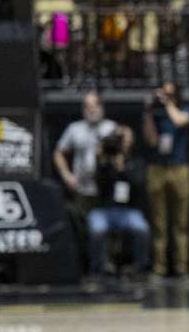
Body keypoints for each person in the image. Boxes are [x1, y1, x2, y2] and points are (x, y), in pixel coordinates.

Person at [53, 92, 131, 258]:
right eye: (88, 106)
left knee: (107, 230)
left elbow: (124, 147)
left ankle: (108, 263)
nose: (91, 109)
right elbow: (59, 153)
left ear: (101, 107)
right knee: (84, 229)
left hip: (106, 189)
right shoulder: (75, 129)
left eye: (94, 105)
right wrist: (67, 175)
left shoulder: (111, 127)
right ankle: (87, 264)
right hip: (82, 189)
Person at [141, 82, 189, 278]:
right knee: (158, 222)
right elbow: (151, 140)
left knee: (181, 223)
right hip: (157, 168)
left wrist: (169, 104)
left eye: (170, 94)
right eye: (164, 93)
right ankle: (160, 267)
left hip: (179, 168)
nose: (165, 97)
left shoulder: (185, 109)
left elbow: (181, 121)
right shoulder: (154, 113)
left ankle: (182, 267)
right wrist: (148, 112)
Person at [88, 132, 151, 279]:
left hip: (128, 210)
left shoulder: (136, 162)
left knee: (141, 228)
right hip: (104, 210)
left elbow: (138, 186)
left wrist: (123, 170)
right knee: (97, 228)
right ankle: (99, 268)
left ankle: (140, 267)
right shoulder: (103, 163)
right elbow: (98, 186)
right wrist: (102, 163)